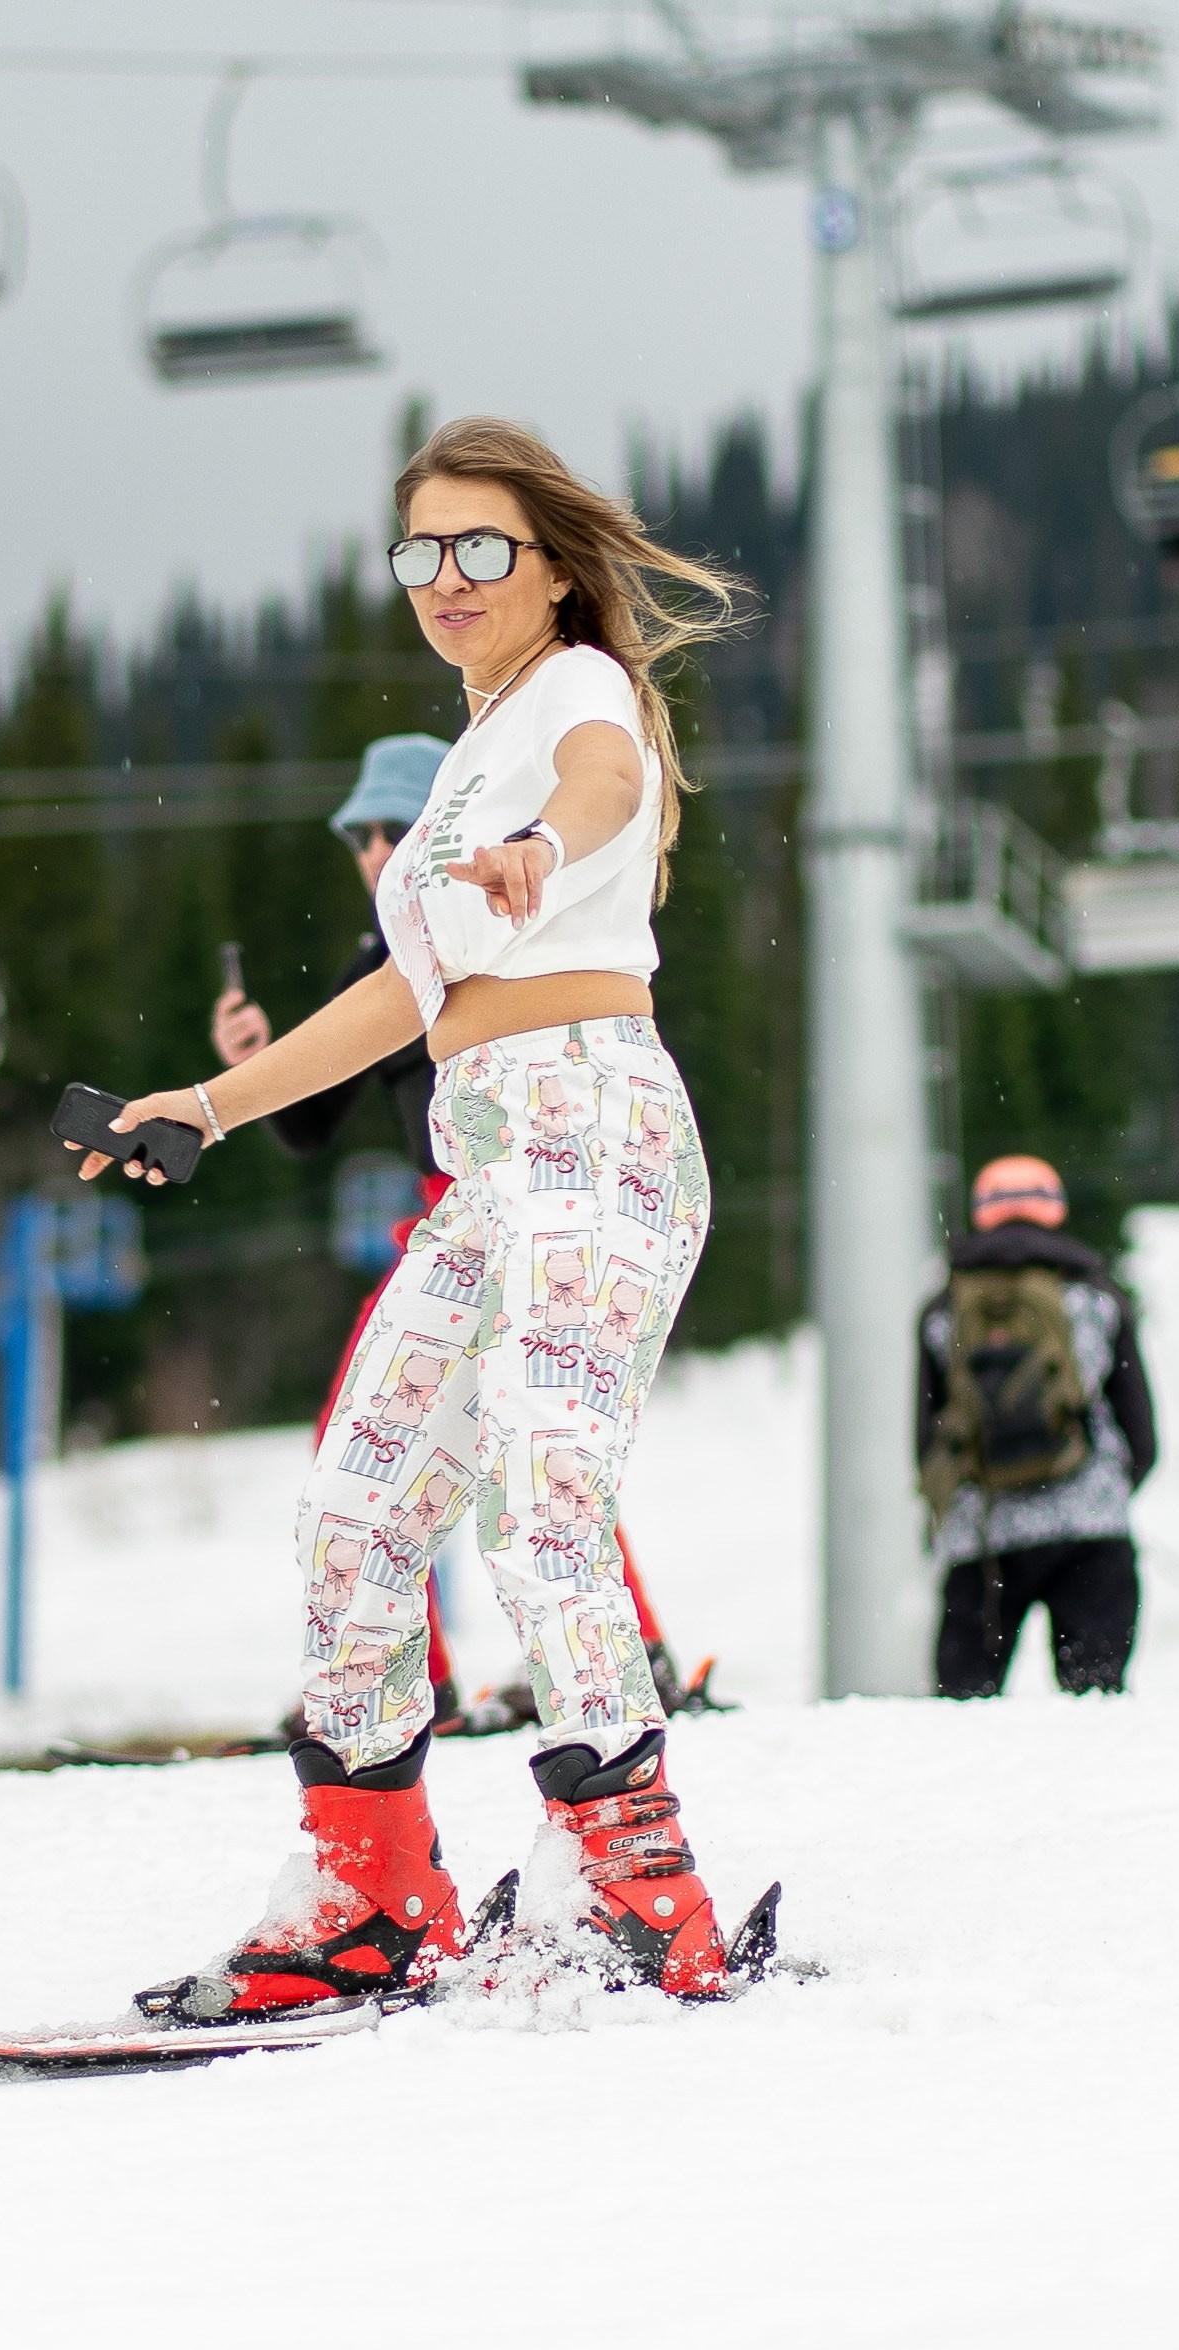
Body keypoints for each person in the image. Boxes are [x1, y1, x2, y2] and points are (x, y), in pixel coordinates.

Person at [65, 414, 752, 2013]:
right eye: (419, 552)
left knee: (538, 1491)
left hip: (593, 1126)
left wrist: (540, 846)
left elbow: (595, 787)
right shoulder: (459, 766)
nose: (443, 580)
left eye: (479, 549)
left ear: (552, 565)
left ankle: (640, 1891)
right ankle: (368, 1891)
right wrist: (207, 1104)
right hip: (487, 1155)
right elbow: (402, 990)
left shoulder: (576, 698)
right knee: (357, 1513)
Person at [213, 729, 720, 1729]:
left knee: (512, 1439)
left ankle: (461, 1679)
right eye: (358, 832)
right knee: (467, 1442)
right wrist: (256, 1057)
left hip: (528, 1199)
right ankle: (454, 1672)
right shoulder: (387, 953)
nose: (372, 850)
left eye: (395, 827)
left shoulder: (494, 924)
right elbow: (310, 1122)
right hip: (446, 1217)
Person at [918, 1154, 1159, 1699]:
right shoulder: (1095, 1298)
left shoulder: (944, 1309)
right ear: (1054, 1209)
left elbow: (926, 1435)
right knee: (1094, 1698)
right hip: (1089, 1528)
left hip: (981, 1537)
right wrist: (1110, 1489)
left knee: (964, 1707)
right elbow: (1140, 1432)